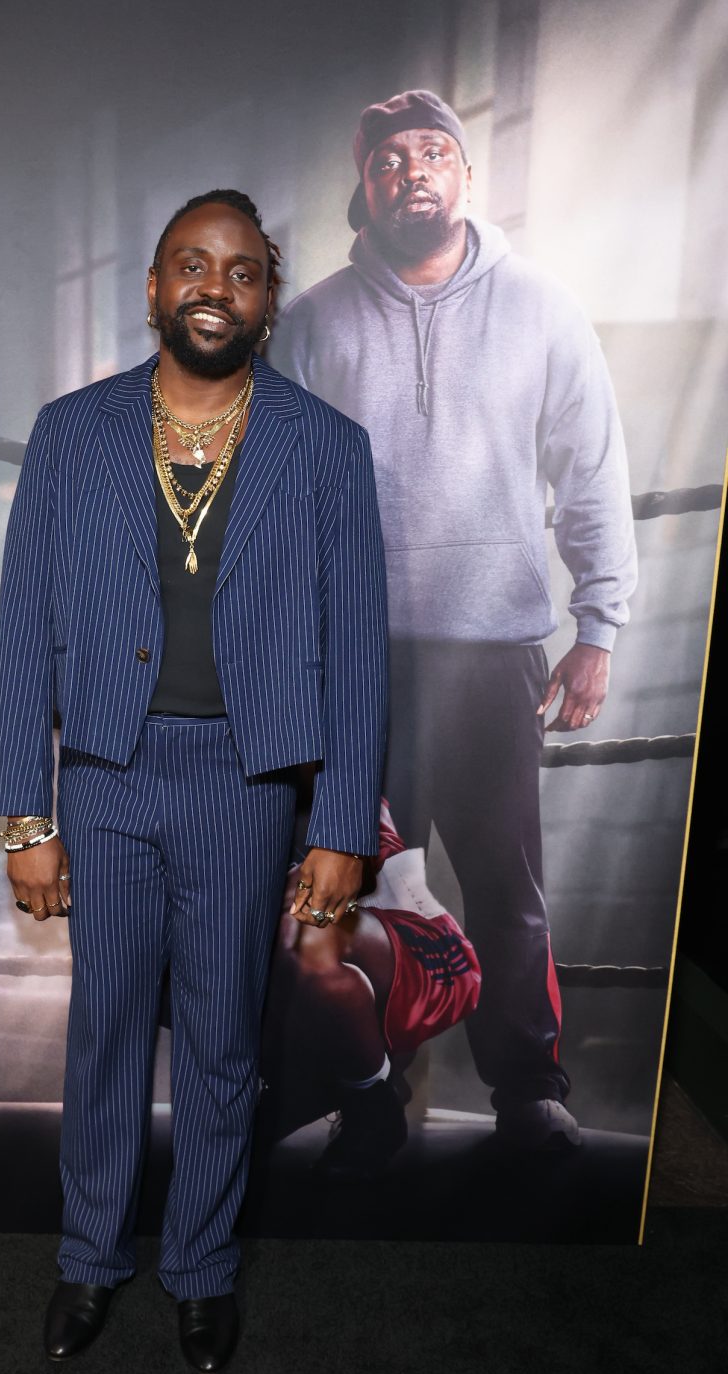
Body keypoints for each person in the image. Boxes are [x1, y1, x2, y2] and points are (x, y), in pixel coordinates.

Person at [0, 190, 388, 1372]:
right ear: (156, 287)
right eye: (192, 265)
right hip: (106, 774)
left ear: (267, 298)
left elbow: (360, 652)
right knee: (105, 1030)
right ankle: (88, 1258)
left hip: (245, 785)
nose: (216, 286)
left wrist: (341, 827)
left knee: (220, 1041)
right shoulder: (71, 432)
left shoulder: (327, 446)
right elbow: (22, 630)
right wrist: (25, 816)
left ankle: (202, 1271)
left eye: (242, 270)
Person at [269, 90, 638, 1149]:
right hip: (357, 664)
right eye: (389, 159)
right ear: (365, 187)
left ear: (467, 176)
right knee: (355, 893)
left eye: (434, 152)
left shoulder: (542, 309)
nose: (413, 171)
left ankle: (529, 1094)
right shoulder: (316, 323)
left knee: (506, 891)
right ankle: (372, 1104)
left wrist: (598, 626)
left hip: (495, 653)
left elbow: (591, 470)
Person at [255, 794, 481, 1179]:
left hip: (413, 952)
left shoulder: (326, 774)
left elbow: (322, 882)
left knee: (291, 933)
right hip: (304, 958)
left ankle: (371, 1106)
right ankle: (303, 1084)